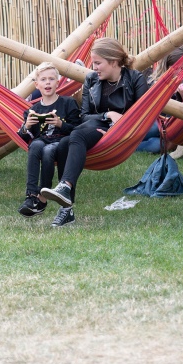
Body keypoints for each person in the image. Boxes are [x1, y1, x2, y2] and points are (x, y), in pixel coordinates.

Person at [41, 38, 148, 226]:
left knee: (73, 136)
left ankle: (65, 189)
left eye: (98, 63)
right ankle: (66, 209)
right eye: (93, 63)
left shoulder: (135, 79)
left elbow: (141, 115)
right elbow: (85, 116)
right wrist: (108, 114)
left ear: (113, 61)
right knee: (65, 144)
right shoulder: (92, 79)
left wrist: (117, 127)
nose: (94, 67)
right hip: (96, 127)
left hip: (119, 133)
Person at [17, 62, 81, 217]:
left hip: (62, 142)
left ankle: (42, 197)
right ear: (37, 85)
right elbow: (25, 137)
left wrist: (60, 124)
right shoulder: (32, 110)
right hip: (42, 140)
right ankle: (31, 196)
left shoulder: (68, 103)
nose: (47, 82)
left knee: (48, 150)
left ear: (57, 83)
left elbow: (78, 130)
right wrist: (26, 126)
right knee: (36, 147)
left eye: (51, 79)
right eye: (44, 80)